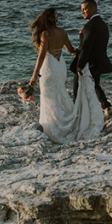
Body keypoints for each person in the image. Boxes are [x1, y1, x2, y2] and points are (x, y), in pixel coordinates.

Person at [28, 8, 104, 144]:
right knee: (60, 91)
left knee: (49, 95)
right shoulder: (62, 31)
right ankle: (67, 122)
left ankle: (52, 126)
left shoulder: (45, 34)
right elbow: (70, 50)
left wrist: (34, 76)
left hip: (49, 66)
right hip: (60, 66)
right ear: (55, 19)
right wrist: (82, 56)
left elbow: (41, 57)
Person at [70, 0, 112, 116]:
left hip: (90, 62)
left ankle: (76, 111)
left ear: (92, 9)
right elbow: (95, 44)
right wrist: (78, 51)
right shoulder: (102, 24)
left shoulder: (90, 26)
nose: (82, 12)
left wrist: (80, 65)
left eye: (84, 9)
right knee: (95, 84)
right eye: (81, 10)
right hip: (99, 61)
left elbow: (87, 46)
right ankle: (106, 106)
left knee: (76, 84)